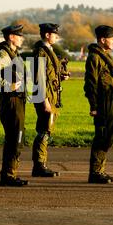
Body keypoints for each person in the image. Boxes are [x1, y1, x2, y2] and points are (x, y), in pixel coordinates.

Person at [0, 24, 28, 187]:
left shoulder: (13, 54)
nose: (22, 38)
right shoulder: (4, 54)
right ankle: (8, 176)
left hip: (17, 101)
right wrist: (7, 86)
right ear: (11, 37)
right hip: (11, 102)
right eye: (19, 36)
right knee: (14, 138)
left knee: (17, 138)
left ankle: (10, 174)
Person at [84, 25, 113, 184]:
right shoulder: (94, 58)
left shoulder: (106, 56)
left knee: (108, 137)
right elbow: (90, 84)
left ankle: (100, 170)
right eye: (112, 38)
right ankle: (95, 172)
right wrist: (93, 106)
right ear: (102, 40)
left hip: (112, 103)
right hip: (102, 105)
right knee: (102, 136)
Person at [31, 23, 68, 177]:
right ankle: (39, 166)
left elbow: (50, 74)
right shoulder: (41, 52)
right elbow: (39, 77)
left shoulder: (48, 50)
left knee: (47, 130)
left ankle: (41, 164)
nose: (56, 36)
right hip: (45, 97)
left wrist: (61, 77)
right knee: (44, 131)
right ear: (47, 35)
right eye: (54, 34)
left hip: (52, 95)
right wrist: (44, 99)